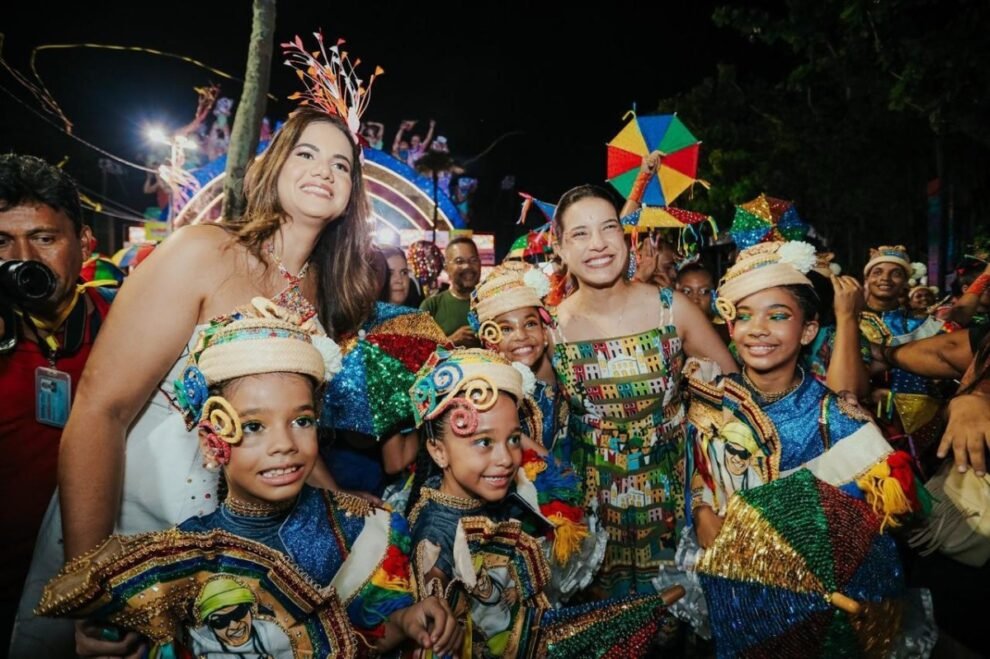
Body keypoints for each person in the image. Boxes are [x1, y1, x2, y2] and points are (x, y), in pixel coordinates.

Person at [14, 107, 382, 657]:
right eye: (306, 153)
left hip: (236, 540)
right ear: (274, 167)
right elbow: (99, 410)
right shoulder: (203, 252)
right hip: (131, 510)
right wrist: (92, 582)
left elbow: (286, 427)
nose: (324, 171)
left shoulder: (320, 295)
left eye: (342, 165)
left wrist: (346, 508)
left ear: (352, 192)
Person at [36, 311, 462, 657]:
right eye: (254, 426)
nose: (284, 445)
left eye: (302, 421)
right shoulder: (182, 558)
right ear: (212, 440)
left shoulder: (360, 531)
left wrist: (407, 621)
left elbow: (363, 637)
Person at [404, 347, 683, 658]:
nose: (506, 459)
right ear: (438, 451)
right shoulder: (436, 530)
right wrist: (435, 610)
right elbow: (434, 601)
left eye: (512, 439)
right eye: (484, 442)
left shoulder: (499, 495)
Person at [548, 184, 737, 596]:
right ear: (559, 247)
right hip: (593, 505)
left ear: (624, 234)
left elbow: (735, 401)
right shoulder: (549, 330)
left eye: (608, 228)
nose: (597, 244)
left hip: (673, 495)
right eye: (580, 234)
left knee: (674, 616)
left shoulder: (674, 309)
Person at [687, 241, 923, 548]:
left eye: (778, 316)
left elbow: (879, 525)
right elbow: (701, 471)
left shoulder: (836, 418)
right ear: (731, 328)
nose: (757, 329)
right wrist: (702, 510)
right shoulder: (715, 394)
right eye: (744, 316)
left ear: (808, 331)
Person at [0, 154, 114, 651]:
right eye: (2, 242)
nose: (24, 258)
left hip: (97, 583)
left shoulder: (127, 326)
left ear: (84, 242)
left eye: (44, 238)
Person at [468, 260, 570, 461]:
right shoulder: (486, 391)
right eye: (506, 329)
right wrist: (562, 475)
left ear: (544, 330)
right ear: (488, 338)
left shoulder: (558, 366)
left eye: (530, 323)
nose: (521, 335)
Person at [420, 236, 481, 346]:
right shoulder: (431, 306)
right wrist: (451, 341)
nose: (467, 266)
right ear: (447, 267)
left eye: (473, 260)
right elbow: (418, 352)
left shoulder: (491, 301)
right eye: (459, 261)